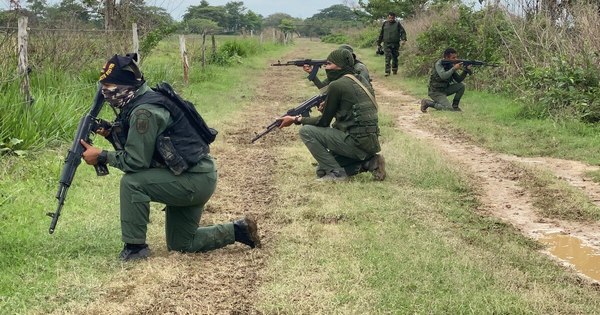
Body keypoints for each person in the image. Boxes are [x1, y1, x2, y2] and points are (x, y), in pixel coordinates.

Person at [80, 53, 261, 261]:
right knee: (182, 244)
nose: (106, 93)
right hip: (194, 174)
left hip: (193, 179)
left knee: (132, 183)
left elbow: (136, 162)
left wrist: (102, 156)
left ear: (126, 86)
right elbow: (147, 150)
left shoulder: (144, 112)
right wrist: (111, 134)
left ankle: (135, 249)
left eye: (110, 88)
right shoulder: (145, 98)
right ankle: (239, 231)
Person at [279, 48, 385, 182]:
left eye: (329, 64)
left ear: (340, 65)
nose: (325, 67)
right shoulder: (361, 81)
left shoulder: (337, 85)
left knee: (306, 131)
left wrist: (296, 119)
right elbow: (352, 111)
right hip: (370, 143)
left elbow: (323, 122)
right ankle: (370, 162)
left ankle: (337, 174)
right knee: (321, 170)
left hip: (355, 143)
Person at [303, 44, 373, 95]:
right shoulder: (339, 69)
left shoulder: (359, 68)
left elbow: (360, 88)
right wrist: (311, 73)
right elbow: (323, 88)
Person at [420, 47, 472, 112]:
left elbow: (458, 79)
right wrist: (454, 68)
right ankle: (428, 103)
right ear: (447, 58)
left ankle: (455, 106)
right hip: (435, 92)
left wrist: (466, 70)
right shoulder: (439, 64)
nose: (455, 60)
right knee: (448, 109)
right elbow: (443, 76)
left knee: (461, 86)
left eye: (456, 57)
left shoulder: (449, 65)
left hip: (444, 89)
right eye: (453, 58)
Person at [376, 12, 407, 77]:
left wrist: (403, 39)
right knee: (387, 57)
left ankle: (394, 70)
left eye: (392, 18)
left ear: (394, 18)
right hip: (386, 43)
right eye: (389, 18)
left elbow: (403, 32)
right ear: (388, 17)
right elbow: (381, 34)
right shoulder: (385, 24)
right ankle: (387, 72)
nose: (391, 19)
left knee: (395, 57)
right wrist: (379, 43)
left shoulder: (397, 24)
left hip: (395, 43)